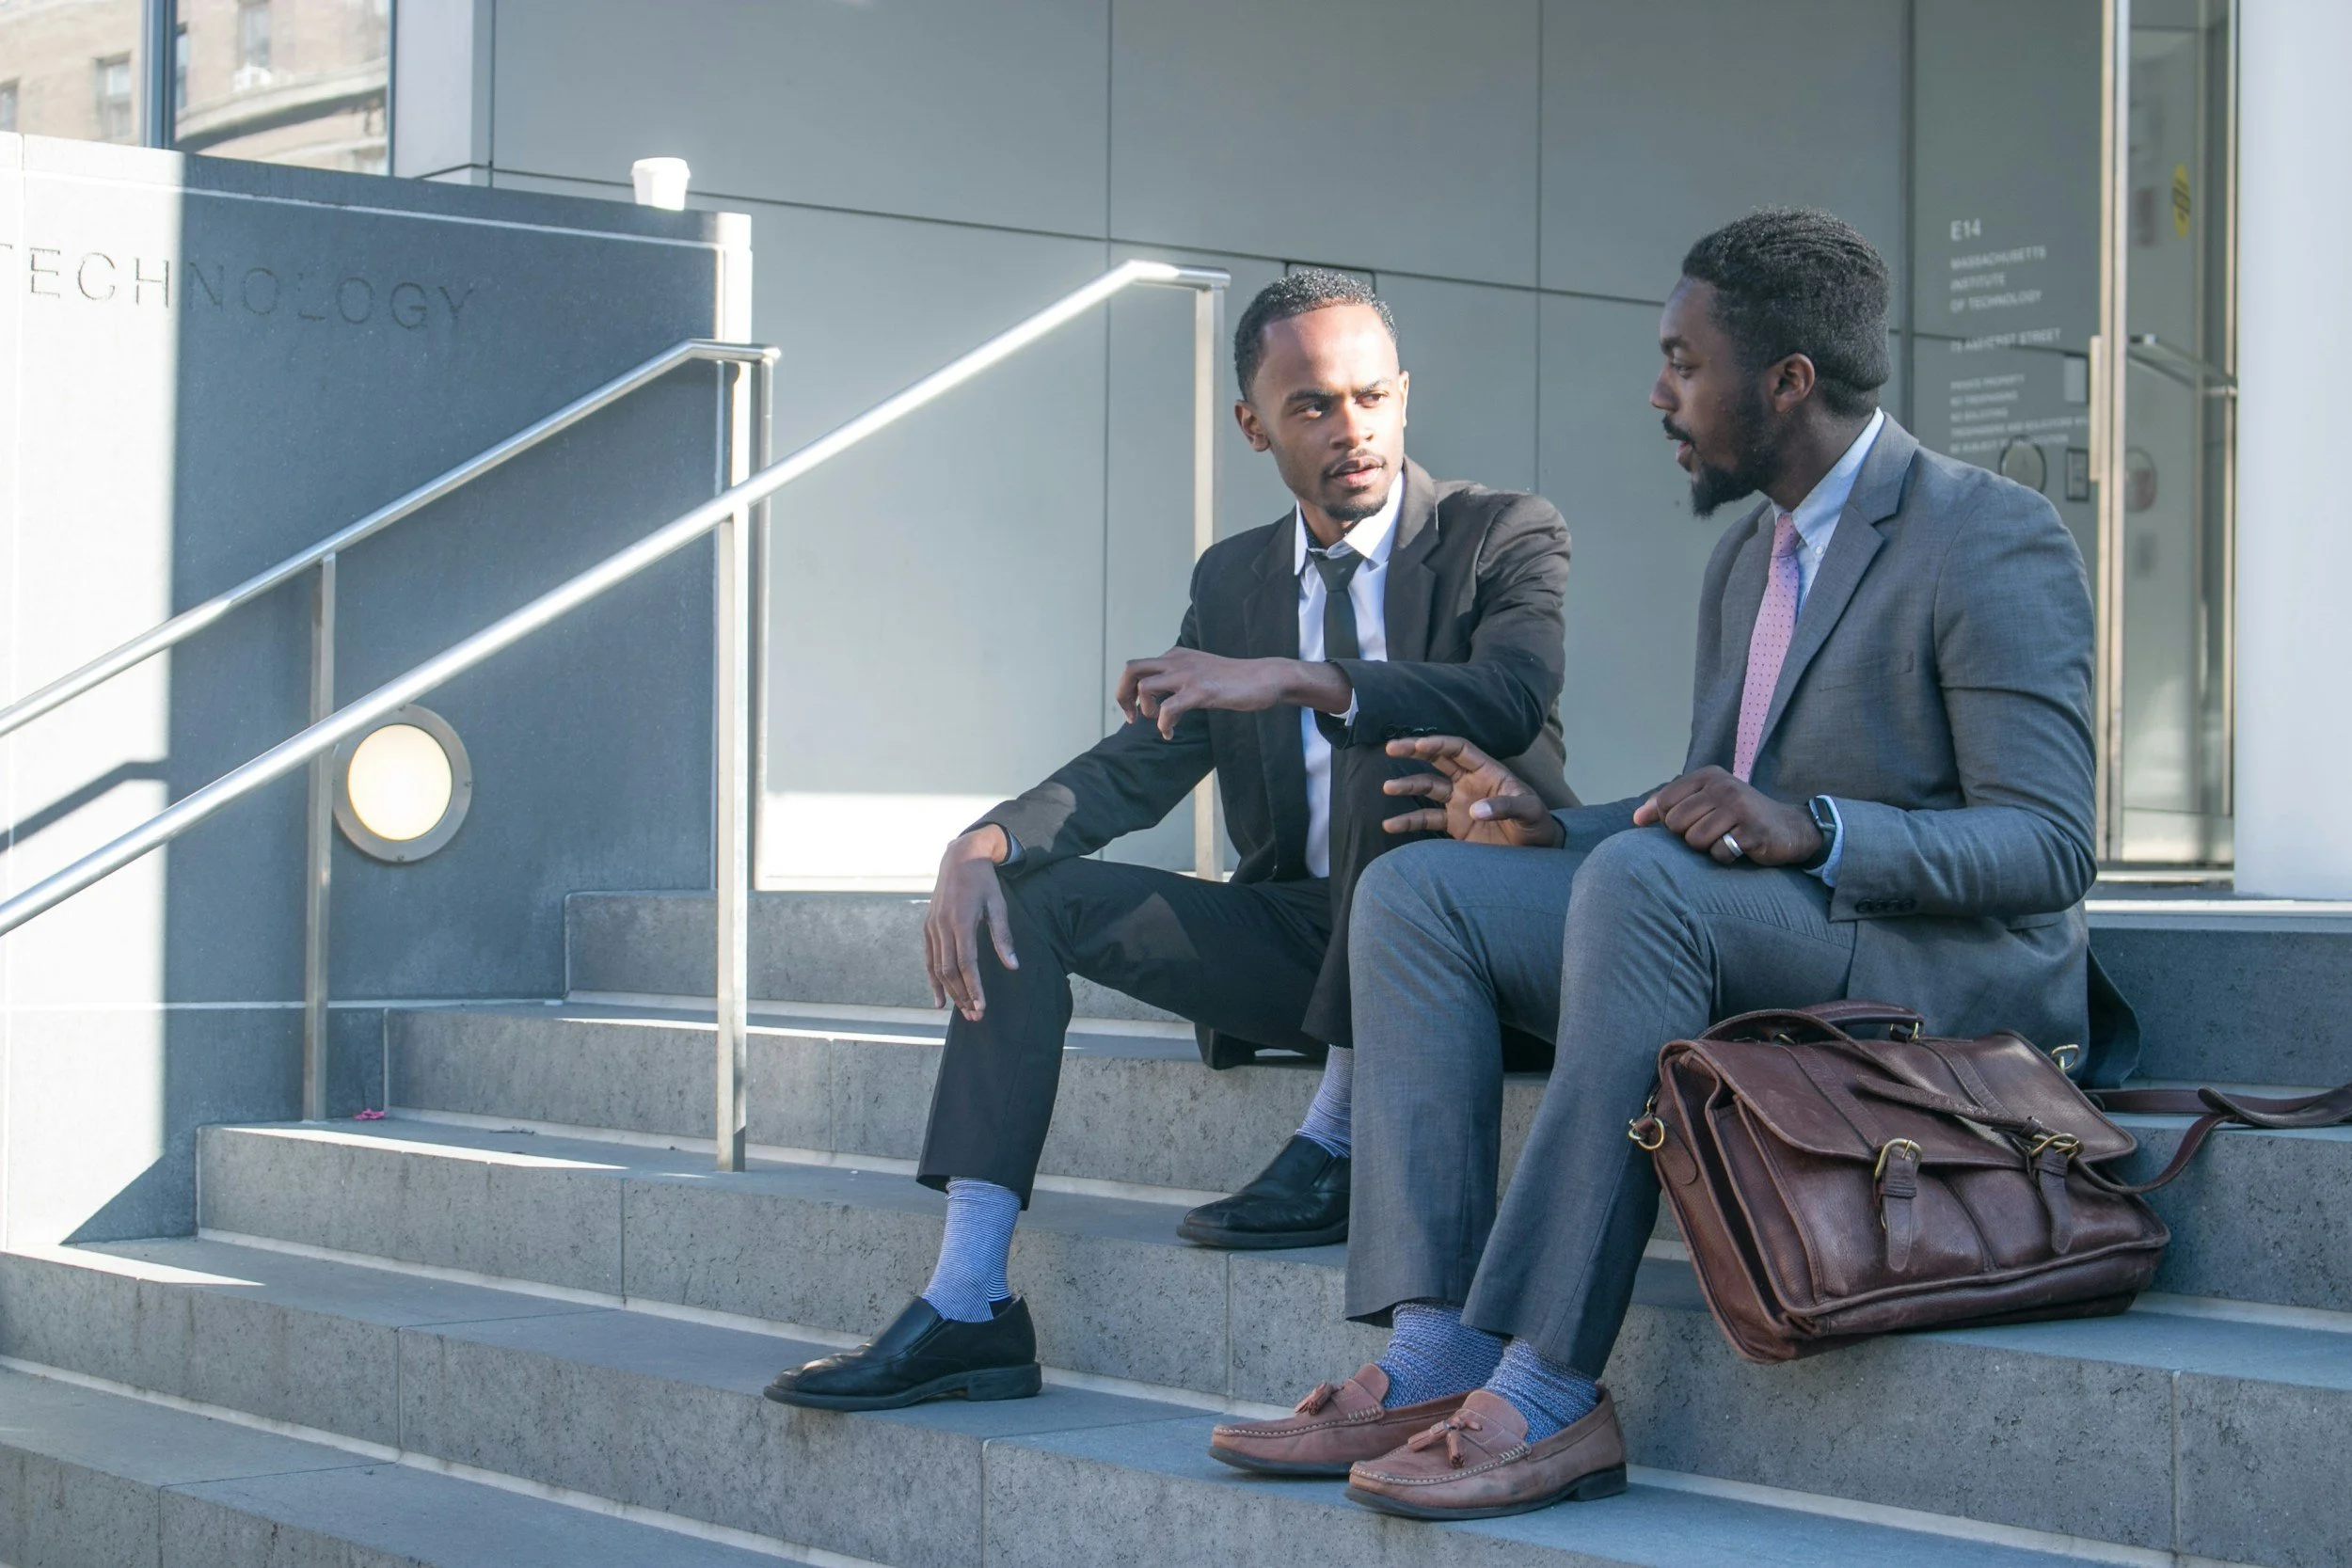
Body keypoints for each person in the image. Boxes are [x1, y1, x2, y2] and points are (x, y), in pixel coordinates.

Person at [1210, 209, 2099, 1520]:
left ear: (1785, 380)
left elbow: (2050, 842)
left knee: (1637, 888)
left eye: (1684, 361)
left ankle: (1553, 1382)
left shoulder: (1988, 533)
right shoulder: (1751, 554)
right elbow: (1708, 805)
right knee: (1416, 888)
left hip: (1949, 974)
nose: (1659, 391)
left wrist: (1824, 829)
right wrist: (1539, 820)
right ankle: (1435, 1352)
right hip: (1759, 924)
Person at [763, 268, 1577, 1413]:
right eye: (1311, 407)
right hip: (1307, 942)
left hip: (1474, 944)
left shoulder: (1503, 531)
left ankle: (1338, 1137)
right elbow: (1146, 759)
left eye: (1371, 396)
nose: (1352, 429)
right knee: (1029, 896)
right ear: (1253, 425)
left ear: (1403, 395)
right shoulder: (1235, 577)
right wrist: (985, 839)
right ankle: (968, 1300)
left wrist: (1299, 679)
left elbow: (1509, 693)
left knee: (1380, 735)